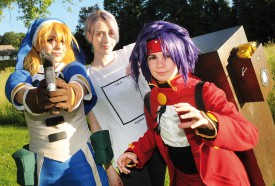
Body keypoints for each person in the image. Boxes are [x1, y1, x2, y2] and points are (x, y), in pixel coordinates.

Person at [117, 21, 260, 186]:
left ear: (180, 55)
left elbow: (250, 133)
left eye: (167, 56)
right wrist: (136, 151)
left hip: (220, 179)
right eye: (152, 57)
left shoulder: (204, 91)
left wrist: (210, 123)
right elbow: (154, 133)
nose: (160, 64)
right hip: (182, 179)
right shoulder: (151, 100)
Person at [5, 18, 109, 185]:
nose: (58, 46)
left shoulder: (72, 68)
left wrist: (72, 93)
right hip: (44, 162)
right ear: (37, 45)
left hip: (81, 156)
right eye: (50, 40)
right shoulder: (24, 75)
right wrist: (33, 97)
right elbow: (16, 89)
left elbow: (80, 81)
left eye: (63, 41)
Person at [85, 10, 166, 186]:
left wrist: (141, 60)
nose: (106, 39)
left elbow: (165, 35)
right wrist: (109, 169)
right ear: (89, 36)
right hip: (125, 157)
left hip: (154, 144)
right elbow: (95, 128)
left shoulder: (130, 53)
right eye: (99, 33)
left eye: (111, 32)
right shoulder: (86, 77)